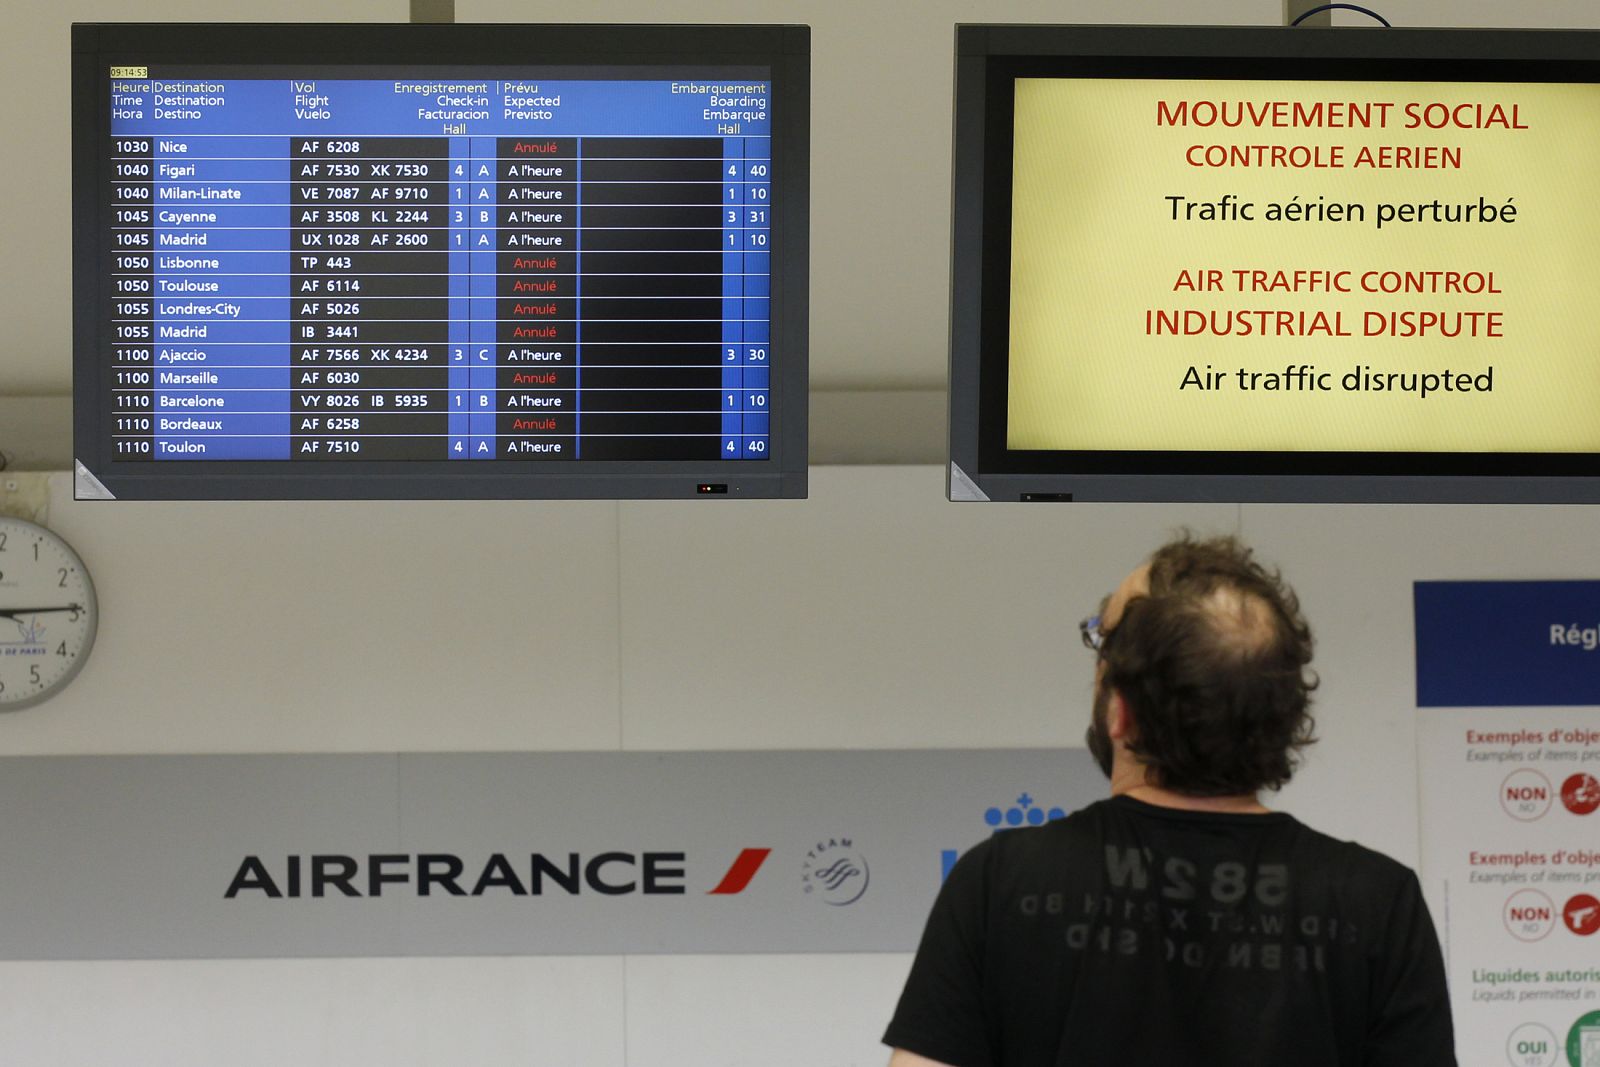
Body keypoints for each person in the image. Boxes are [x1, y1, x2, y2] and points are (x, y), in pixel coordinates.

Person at [883, 534, 1455, 1067]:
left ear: (1120, 711)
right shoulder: (1378, 905)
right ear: (1282, 715)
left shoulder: (1001, 882)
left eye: (1100, 643)